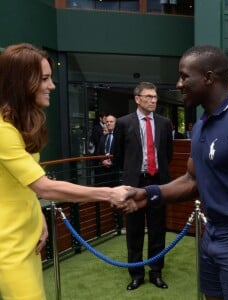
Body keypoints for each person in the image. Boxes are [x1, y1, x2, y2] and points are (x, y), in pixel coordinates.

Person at [122, 45, 228, 299]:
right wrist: (148, 194)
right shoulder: (201, 126)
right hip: (210, 234)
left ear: (209, 78)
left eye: (184, 76)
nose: (179, 84)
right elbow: (193, 179)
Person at [0, 43, 130, 300]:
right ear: (22, 82)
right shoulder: (4, 131)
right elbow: (44, 186)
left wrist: (39, 221)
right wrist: (109, 193)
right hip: (8, 245)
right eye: (45, 79)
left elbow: (22, 185)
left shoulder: (19, 124)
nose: (52, 86)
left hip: (28, 237)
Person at [113, 82, 173, 291]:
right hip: (134, 183)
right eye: (148, 96)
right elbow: (118, 156)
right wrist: (132, 173)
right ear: (137, 99)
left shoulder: (165, 123)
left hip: (158, 182)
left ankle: (156, 273)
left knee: (158, 230)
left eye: (155, 97)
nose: (153, 100)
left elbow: (168, 154)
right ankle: (136, 274)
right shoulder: (123, 123)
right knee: (134, 231)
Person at [95, 114, 118, 186]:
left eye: (111, 121)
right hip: (104, 171)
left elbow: (123, 152)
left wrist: (112, 161)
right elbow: (98, 152)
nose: (109, 123)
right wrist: (103, 161)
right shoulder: (103, 137)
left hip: (116, 171)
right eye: (107, 122)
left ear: (116, 123)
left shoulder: (120, 137)